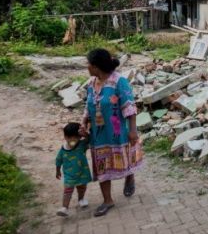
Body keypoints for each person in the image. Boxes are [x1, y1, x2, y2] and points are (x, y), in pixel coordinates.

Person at [81, 48, 143, 217]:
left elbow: (129, 106)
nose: (87, 67)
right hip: (98, 133)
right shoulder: (92, 83)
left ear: (96, 66)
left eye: (89, 64)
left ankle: (129, 175)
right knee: (102, 166)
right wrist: (83, 122)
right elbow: (88, 105)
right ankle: (107, 200)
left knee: (123, 160)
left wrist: (132, 130)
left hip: (117, 130)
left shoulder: (119, 81)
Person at [55, 122, 92, 217]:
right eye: (68, 138)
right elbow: (58, 160)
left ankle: (81, 199)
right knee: (67, 191)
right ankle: (64, 208)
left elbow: (91, 140)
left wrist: (86, 134)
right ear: (65, 137)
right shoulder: (63, 149)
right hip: (69, 175)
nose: (71, 140)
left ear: (79, 137)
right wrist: (58, 171)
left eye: (74, 138)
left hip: (82, 173)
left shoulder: (81, 145)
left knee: (82, 188)